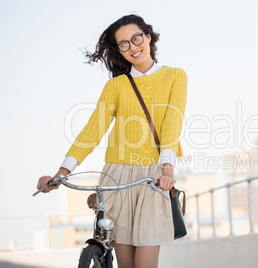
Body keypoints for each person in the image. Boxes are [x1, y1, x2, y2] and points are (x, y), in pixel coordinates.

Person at [37, 14, 187, 268]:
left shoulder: (175, 76)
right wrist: (62, 172)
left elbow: (172, 124)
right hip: (116, 179)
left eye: (136, 38)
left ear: (148, 37)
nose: (133, 47)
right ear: (119, 50)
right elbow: (92, 131)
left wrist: (167, 170)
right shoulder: (115, 87)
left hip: (154, 178)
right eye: (124, 44)